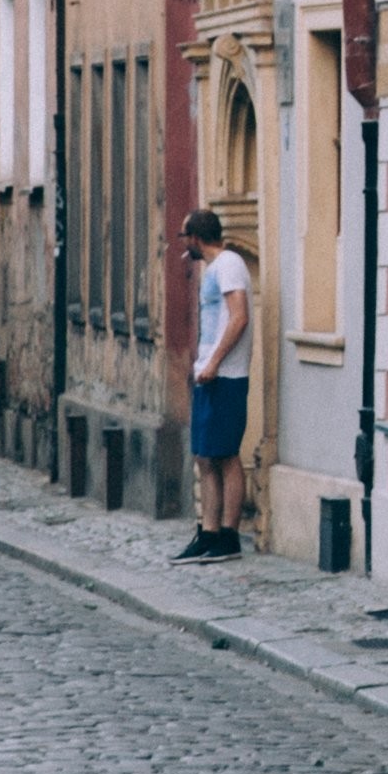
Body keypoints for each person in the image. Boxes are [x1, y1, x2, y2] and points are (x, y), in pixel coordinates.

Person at [171, 205, 252, 560]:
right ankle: (208, 532)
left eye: (184, 236)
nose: (183, 244)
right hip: (209, 374)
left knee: (226, 455)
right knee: (205, 457)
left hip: (226, 376)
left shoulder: (229, 264)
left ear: (196, 237)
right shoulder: (214, 270)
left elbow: (240, 318)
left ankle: (229, 536)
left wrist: (215, 362)